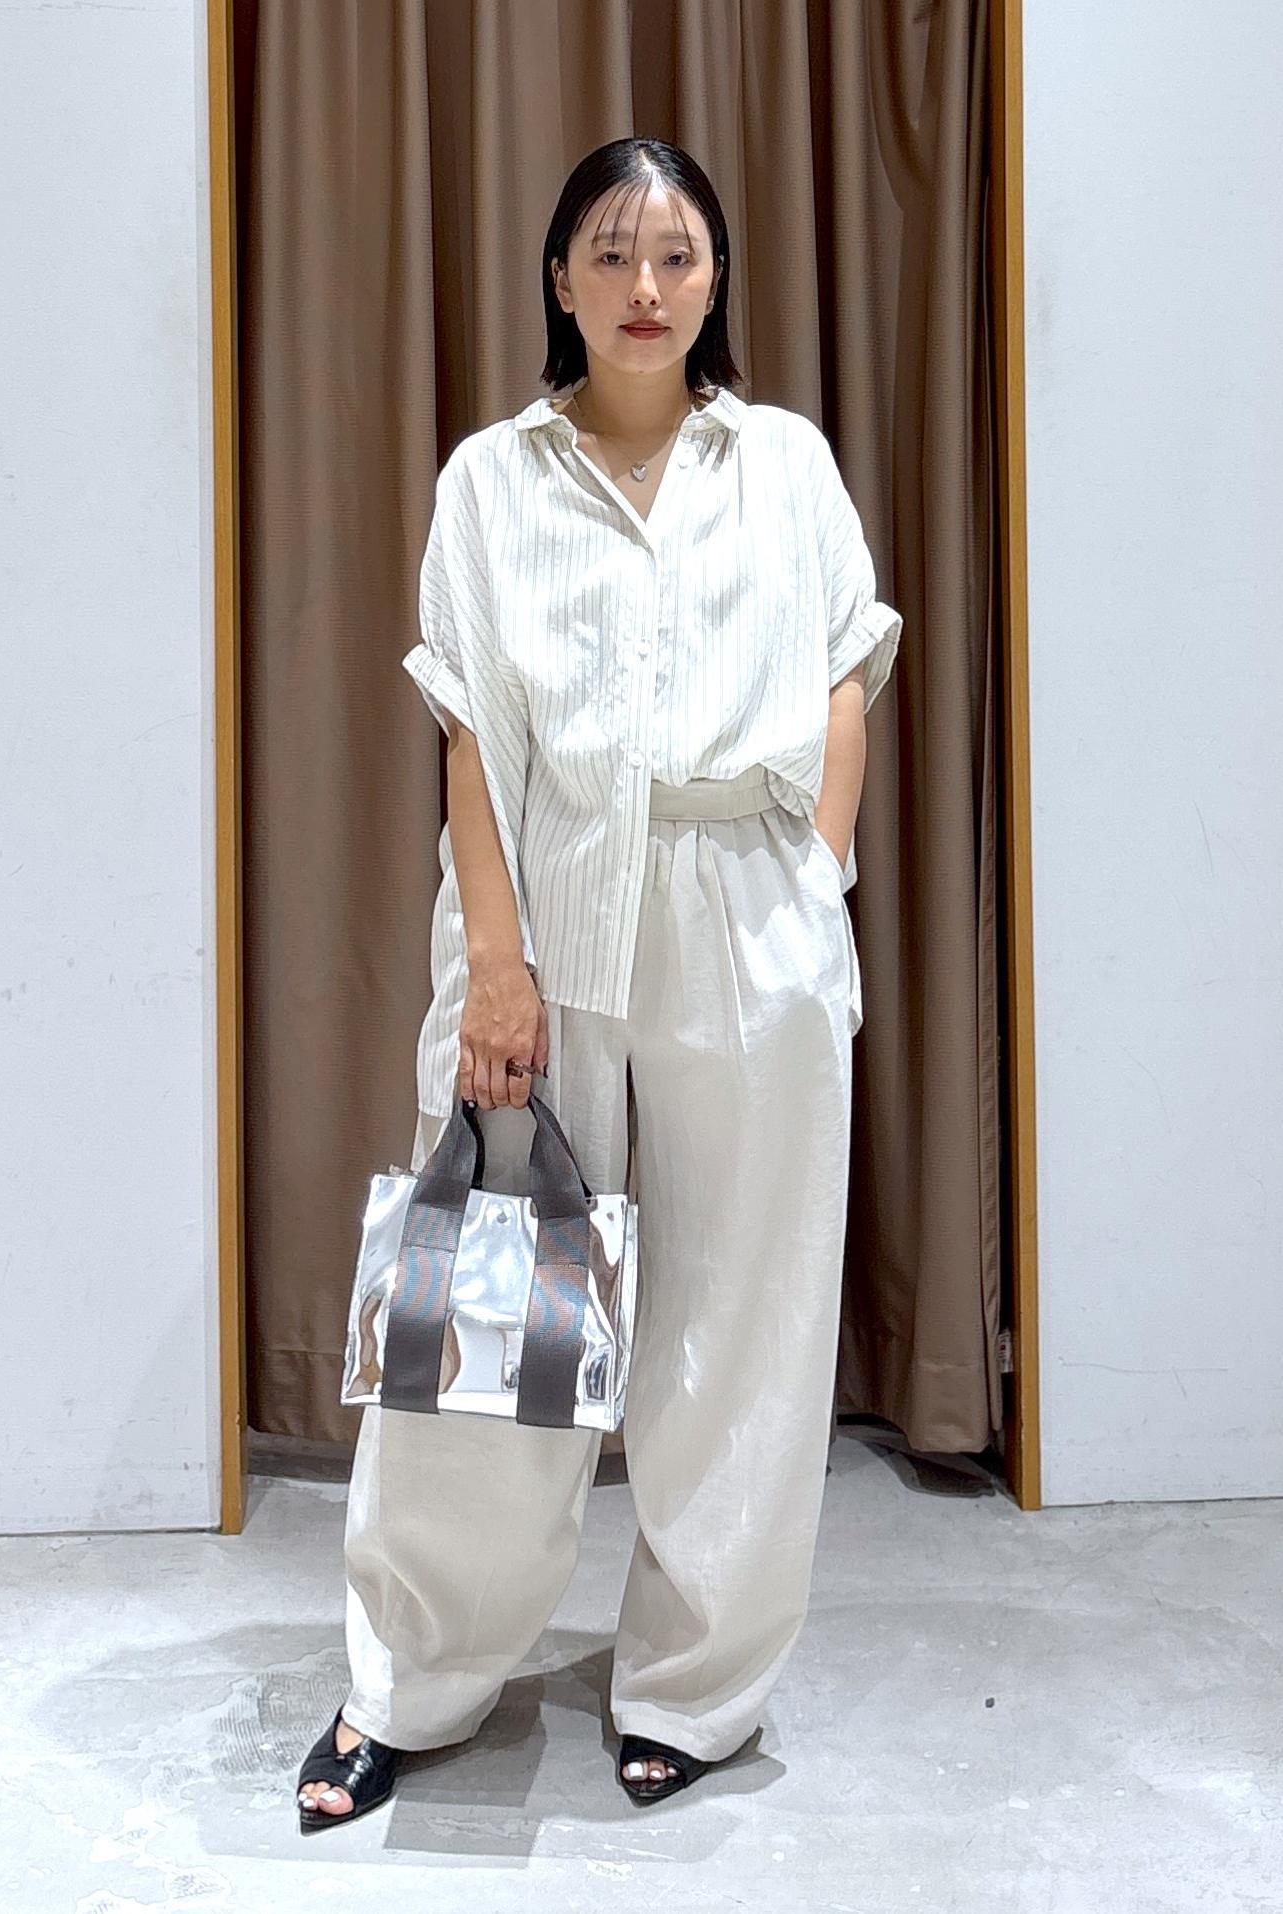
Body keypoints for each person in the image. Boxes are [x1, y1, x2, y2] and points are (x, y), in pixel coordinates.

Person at [296, 136, 901, 1832]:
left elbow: (847, 664)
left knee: (742, 1322)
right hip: (546, 922)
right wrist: (497, 961)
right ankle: (409, 1681)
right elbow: (472, 732)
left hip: (750, 922)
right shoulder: (493, 479)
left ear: (716, 279)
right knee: (491, 1314)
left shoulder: (783, 462)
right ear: (560, 276)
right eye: (613, 252)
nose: (647, 286)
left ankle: (695, 1688)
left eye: (678, 253)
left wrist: (818, 876)